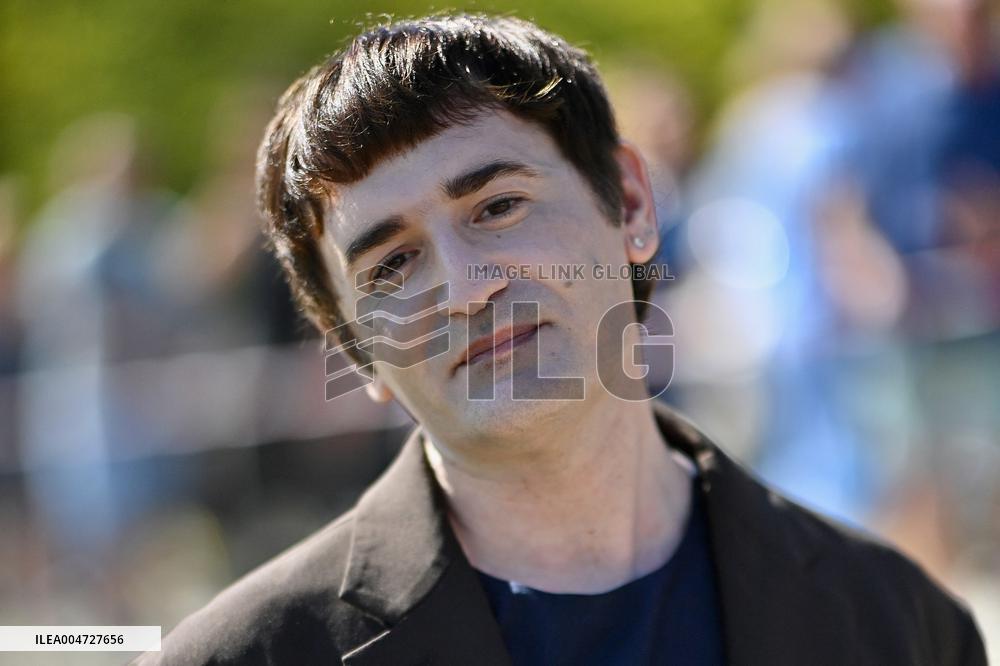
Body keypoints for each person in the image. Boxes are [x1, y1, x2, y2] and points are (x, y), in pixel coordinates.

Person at [134, 14, 987, 665]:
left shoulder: (900, 623)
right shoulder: (247, 656)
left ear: (633, 205)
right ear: (356, 349)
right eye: (392, 265)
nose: (468, 288)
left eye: (498, 206)